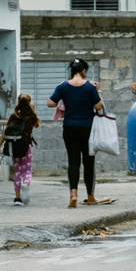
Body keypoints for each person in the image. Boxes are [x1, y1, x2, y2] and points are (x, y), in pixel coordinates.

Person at [47, 58, 108, 208]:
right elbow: (99, 106)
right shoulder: (90, 87)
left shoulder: (63, 86)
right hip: (88, 128)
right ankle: (90, 197)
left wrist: (62, 95)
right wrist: (98, 90)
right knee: (89, 163)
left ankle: (73, 194)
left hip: (69, 127)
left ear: (72, 70)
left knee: (73, 162)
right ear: (84, 71)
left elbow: (50, 103)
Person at [0, 93, 40, 206]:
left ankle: (18, 198)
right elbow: (37, 125)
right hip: (26, 147)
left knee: (17, 171)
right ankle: (26, 183)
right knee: (27, 171)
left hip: (14, 147)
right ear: (29, 103)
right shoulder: (31, 116)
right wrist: (32, 110)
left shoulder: (14, 116)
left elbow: (5, 132)